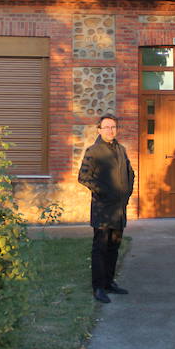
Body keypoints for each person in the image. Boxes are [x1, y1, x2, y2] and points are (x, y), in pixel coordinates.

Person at [78, 114, 135, 303]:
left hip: (119, 209)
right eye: (107, 127)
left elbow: (131, 173)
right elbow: (83, 177)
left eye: (113, 127)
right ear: (100, 130)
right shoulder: (93, 151)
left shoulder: (121, 149)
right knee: (100, 248)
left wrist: (126, 194)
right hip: (102, 209)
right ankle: (98, 287)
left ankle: (109, 282)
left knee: (114, 248)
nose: (111, 130)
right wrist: (103, 192)